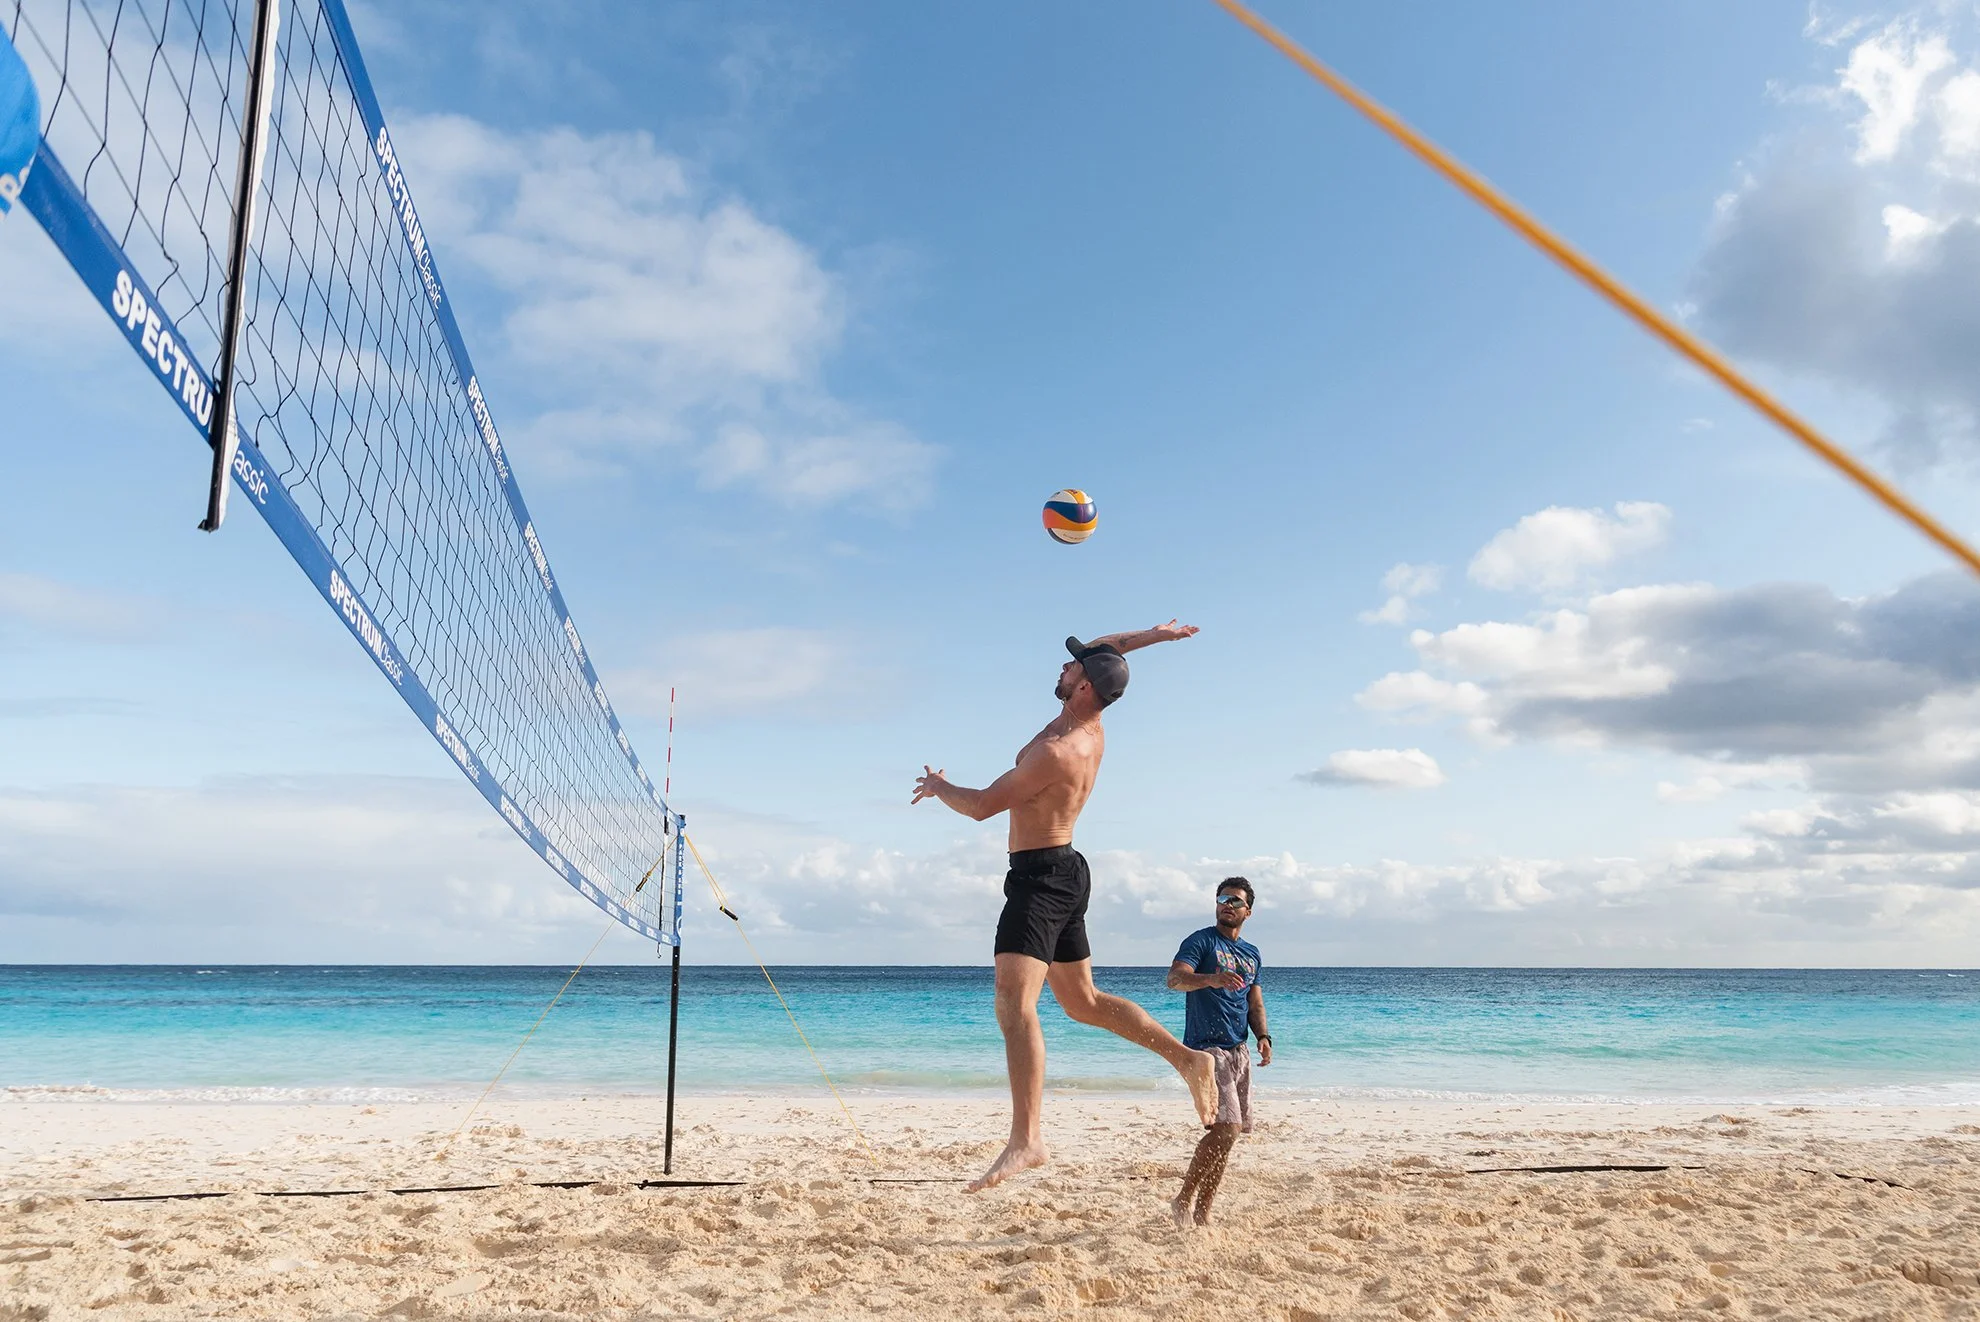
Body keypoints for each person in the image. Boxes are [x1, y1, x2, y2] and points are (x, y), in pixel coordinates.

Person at [913, 623, 1220, 1191]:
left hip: (1041, 882)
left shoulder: (1059, 750)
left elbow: (981, 807)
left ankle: (1027, 1140)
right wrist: (1157, 634)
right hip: (1065, 869)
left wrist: (938, 788)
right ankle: (1188, 1059)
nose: (1062, 666)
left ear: (1083, 688)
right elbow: (1110, 650)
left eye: (1072, 666)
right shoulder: (1093, 710)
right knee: (1082, 1002)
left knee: (1014, 1003)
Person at [1166, 876, 1270, 1228]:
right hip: (1205, 1049)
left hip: (1238, 1049)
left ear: (1248, 911)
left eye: (1236, 901)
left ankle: (1202, 1210)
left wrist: (1264, 1035)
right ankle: (1182, 1201)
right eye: (1223, 898)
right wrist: (1211, 978)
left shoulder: (1252, 953)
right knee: (1227, 1128)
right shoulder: (1201, 941)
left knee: (1228, 1134)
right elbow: (1175, 980)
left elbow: (1253, 1000)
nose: (1228, 904)